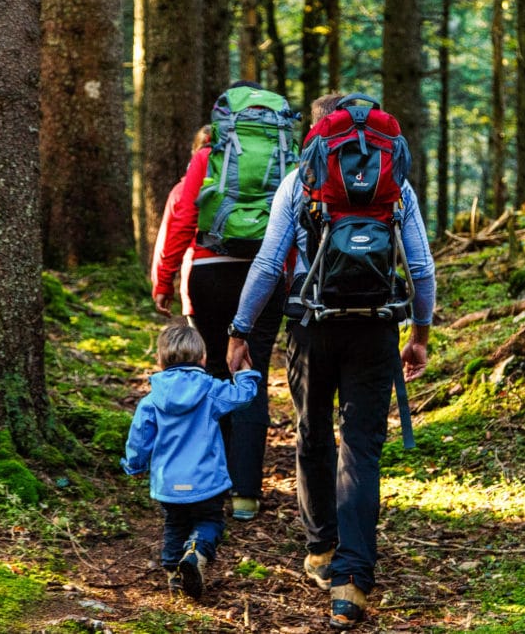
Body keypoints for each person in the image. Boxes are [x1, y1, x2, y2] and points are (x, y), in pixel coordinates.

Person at [226, 93, 436, 630]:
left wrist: (240, 329)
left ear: (317, 133)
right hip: (376, 327)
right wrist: (420, 333)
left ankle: (320, 550)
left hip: (310, 323)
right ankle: (353, 581)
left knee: (312, 434)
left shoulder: (300, 180)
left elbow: (272, 261)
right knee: (361, 449)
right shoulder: (396, 182)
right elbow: (421, 266)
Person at [152, 82, 288, 522]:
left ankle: (211, 479)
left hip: (209, 272)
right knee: (253, 371)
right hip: (265, 275)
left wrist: (165, 276)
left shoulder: (205, 159)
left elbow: (184, 216)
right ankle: (246, 493)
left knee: (210, 371)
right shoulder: (283, 160)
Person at [121, 319, 262, 599]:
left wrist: (135, 466)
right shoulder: (210, 391)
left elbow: (138, 438)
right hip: (206, 481)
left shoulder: (151, 400)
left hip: (169, 484)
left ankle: (174, 574)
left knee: (175, 524)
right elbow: (243, 397)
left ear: (160, 360)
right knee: (210, 521)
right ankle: (196, 552)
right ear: (203, 358)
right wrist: (246, 373)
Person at [151, 125, 212, 317]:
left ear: (194, 152)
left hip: (199, 274)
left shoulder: (181, 191)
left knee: (207, 345)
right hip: (251, 275)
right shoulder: (246, 188)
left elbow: (168, 240)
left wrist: (162, 284)